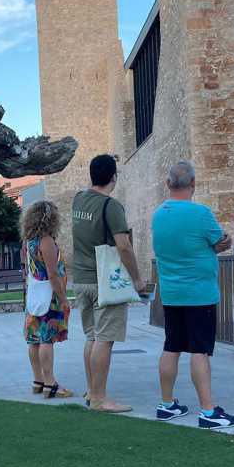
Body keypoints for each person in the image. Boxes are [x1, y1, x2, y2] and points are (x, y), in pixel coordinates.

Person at [150, 161, 234, 430]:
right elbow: (220, 241)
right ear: (193, 184)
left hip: (171, 293)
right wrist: (218, 244)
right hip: (199, 293)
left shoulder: (158, 215)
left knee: (172, 346)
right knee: (200, 351)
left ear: (168, 185)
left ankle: (166, 405)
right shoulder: (201, 213)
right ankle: (207, 411)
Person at [70, 154, 151, 413]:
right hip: (105, 281)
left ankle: (91, 390)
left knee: (92, 336)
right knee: (105, 339)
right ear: (113, 177)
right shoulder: (111, 206)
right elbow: (124, 246)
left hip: (81, 279)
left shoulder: (78, 200)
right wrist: (137, 279)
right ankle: (99, 398)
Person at [21, 200, 73, 399]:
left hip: (34, 295)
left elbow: (29, 270)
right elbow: (52, 273)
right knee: (46, 339)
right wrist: (64, 299)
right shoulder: (46, 241)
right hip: (49, 296)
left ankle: (38, 380)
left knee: (33, 339)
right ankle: (50, 384)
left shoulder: (28, 241)